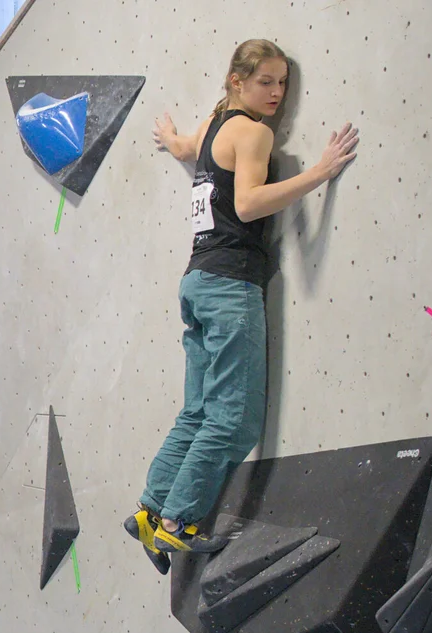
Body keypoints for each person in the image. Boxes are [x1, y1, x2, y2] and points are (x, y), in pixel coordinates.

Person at [135, 40, 358, 565]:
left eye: (283, 82)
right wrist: (320, 172)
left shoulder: (217, 124)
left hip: (197, 281)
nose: (278, 92)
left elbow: (190, 150)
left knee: (197, 410)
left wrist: (170, 139)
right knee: (234, 420)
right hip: (232, 285)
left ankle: (149, 510)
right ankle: (178, 520)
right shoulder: (254, 132)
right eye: (266, 82)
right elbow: (249, 201)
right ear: (237, 81)